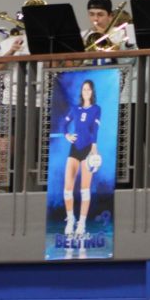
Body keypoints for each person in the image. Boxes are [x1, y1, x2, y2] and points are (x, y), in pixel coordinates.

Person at [61, 79, 101, 237]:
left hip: (88, 150)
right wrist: (67, 135)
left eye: (89, 89)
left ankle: (82, 223)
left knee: (85, 189)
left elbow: (95, 129)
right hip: (74, 149)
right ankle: (70, 219)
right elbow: (64, 125)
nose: (86, 92)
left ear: (92, 92)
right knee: (67, 189)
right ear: (81, 92)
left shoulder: (97, 109)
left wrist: (94, 147)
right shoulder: (75, 109)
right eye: (84, 89)